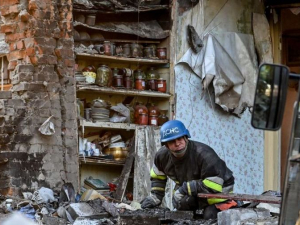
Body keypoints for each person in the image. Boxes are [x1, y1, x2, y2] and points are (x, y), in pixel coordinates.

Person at [140, 120, 235, 219]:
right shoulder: (161, 156)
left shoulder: (205, 154)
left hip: (219, 191)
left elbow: (214, 186)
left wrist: (184, 189)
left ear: (186, 138)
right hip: (195, 188)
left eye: (179, 138)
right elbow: (157, 176)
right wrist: (155, 197)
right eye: (172, 141)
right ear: (166, 145)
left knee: (210, 215)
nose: (177, 144)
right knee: (180, 206)